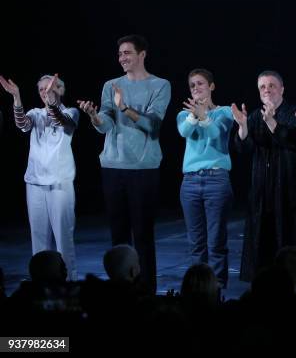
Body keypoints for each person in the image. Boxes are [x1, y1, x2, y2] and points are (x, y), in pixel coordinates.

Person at [78, 34, 171, 294]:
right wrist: (95, 116)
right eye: (119, 54)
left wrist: (125, 107)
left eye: (127, 53)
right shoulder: (111, 84)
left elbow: (152, 126)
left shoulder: (160, 85)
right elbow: (106, 123)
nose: (122, 58)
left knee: (143, 235)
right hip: (113, 167)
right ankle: (120, 292)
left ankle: (146, 292)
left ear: (142, 55)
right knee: (118, 236)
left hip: (143, 170)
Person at [1, 74, 79, 280]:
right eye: (42, 89)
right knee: (39, 239)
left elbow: (61, 121)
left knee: (64, 238)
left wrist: (52, 105)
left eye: (50, 88)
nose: (45, 92)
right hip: (35, 183)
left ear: (60, 90)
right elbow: (22, 124)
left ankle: (69, 283)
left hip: (60, 183)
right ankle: (41, 284)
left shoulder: (71, 112)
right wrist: (16, 96)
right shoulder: (35, 113)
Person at [231, 70, 296, 282]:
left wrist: (273, 122)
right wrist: (243, 126)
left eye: (271, 85)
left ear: (282, 89)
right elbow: (243, 149)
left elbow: (295, 144)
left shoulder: (294, 113)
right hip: (261, 190)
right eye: (262, 87)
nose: (267, 90)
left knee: (287, 236)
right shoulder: (254, 116)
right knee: (262, 240)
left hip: (287, 189)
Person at [177, 68, 233, 289]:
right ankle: (198, 287)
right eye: (192, 85)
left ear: (211, 86)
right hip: (190, 182)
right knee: (196, 243)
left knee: (216, 241)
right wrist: (195, 115)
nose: (196, 88)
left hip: (216, 179)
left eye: (200, 84)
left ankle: (218, 287)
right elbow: (184, 131)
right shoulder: (184, 115)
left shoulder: (226, 112)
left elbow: (216, 135)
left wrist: (205, 116)